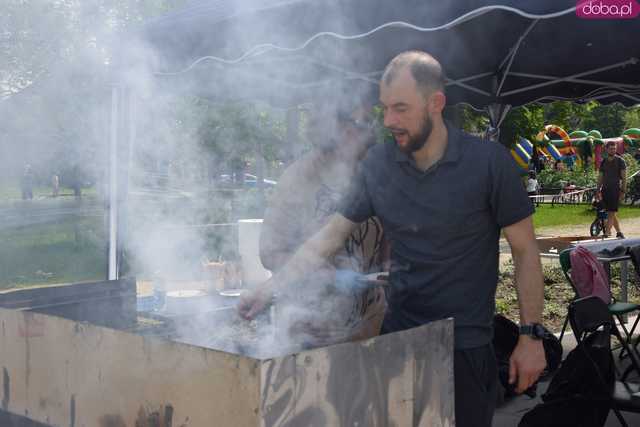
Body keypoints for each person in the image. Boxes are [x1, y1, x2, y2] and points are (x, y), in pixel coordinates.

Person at [239, 51, 546, 427]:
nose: (388, 121)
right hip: (396, 343)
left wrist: (531, 336)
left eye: (400, 108)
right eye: (384, 109)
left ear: (436, 103)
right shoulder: (378, 166)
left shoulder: (488, 163)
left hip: (463, 347)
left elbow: (525, 250)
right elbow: (329, 238)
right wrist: (270, 287)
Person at [259, 88, 387, 347]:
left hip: (366, 332)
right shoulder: (298, 179)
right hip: (309, 329)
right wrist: (318, 271)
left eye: (368, 122)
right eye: (358, 122)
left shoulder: (378, 174)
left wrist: (386, 264)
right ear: (337, 128)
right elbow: (269, 253)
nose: (368, 130)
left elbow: (389, 235)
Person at [597, 140, 627, 238]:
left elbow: (624, 178)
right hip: (605, 190)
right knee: (610, 211)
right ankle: (619, 232)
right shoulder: (603, 162)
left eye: (614, 148)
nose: (613, 150)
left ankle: (607, 233)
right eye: (611, 148)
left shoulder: (620, 161)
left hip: (615, 190)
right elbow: (600, 177)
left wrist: (623, 191)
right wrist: (598, 190)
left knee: (611, 212)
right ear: (606, 149)